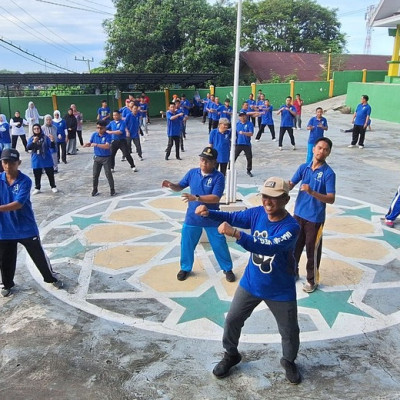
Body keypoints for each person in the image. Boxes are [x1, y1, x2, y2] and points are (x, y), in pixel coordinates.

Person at [195, 177, 301, 384]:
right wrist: (210, 213)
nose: (267, 202)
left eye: (274, 198)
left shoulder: (292, 227)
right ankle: (231, 354)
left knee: (289, 330)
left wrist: (236, 234)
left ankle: (288, 360)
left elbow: (268, 246)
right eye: (264, 196)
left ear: (286, 199)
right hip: (252, 283)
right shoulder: (257, 213)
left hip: (280, 289)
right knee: (232, 320)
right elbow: (234, 217)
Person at [161, 146, 235, 282]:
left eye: (207, 161)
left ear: (214, 163)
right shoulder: (192, 173)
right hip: (192, 217)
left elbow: (215, 198)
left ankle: (227, 269)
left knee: (219, 244)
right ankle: (185, 268)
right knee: (187, 243)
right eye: (202, 160)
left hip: (212, 217)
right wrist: (171, 185)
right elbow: (180, 186)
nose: (203, 163)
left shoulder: (218, 177)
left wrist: (196, 198)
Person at [0, 148, 63, 297]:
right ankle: (7, 284)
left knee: (38, 255)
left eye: (12, 162)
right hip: (5, 229)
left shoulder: (25, 181)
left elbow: (19, 203)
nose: (8, 166)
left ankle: (50, 278)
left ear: (19, 163)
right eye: (5, 162)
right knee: (5, 260)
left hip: (26, 228)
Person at [289, 137, 336, 293]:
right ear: (313, 149)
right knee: (294, 247)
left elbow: (331, 198)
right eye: (319, 148)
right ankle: (293, 272)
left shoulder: (329, 173)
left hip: (315, 219)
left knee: (312, 251)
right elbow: (290, 184)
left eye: (325, 149)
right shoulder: (304, 167)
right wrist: (277, 187)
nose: (322, 151)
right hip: (298, 215)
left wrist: (312, 192)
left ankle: (312, 280)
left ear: (328, 153)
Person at [83, 120, 115, 197]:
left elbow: (107, 146)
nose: (99, 130)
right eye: (97, 128)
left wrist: (97, 145)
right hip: (97, 157)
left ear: (105, 128)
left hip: (106, 158)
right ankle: (95, 189)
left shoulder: (108, 136)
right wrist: (87, 144)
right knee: (95, 175)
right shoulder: (94, 135)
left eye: (101, 128)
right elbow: (91, 143)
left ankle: (112, 189)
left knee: (108, 174)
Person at [27, 124, 58, 194]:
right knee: (37, 174)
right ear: (33, 130)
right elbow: (28, 147)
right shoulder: (31, 138)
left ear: (40, 129)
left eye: (38, 128)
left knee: (50, 173)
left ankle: (53, 186)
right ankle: (37, 188)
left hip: (46, 158)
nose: (36, 130)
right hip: (36, 159)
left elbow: (52, 146)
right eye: (34, 129)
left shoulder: (45, 137)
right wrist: (33, 142)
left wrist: (52, 140)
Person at [235, 112, 254, 177]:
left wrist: (244, 133)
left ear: (246, 116)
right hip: (238, 143)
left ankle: (249, 170)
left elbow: (251, 133)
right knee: (234, 156)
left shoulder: (249, 124)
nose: (242, 118)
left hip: (246, 144)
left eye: (243, 116)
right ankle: (229, 168)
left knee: (249, 158)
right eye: (241, 116)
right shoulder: (237, 124)